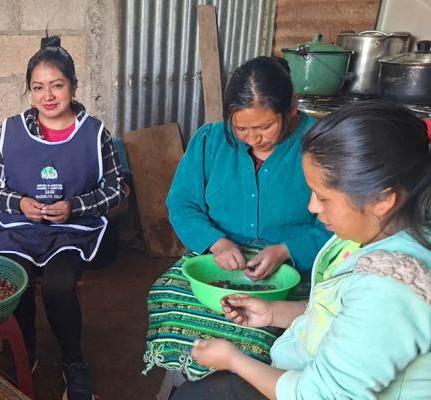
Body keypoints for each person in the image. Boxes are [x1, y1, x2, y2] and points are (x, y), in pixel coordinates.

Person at [177, 100, 431, 399]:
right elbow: (338, 313)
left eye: (323, 197)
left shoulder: (390, 290)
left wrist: (234, 360)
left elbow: (320, 395)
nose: (312, 207)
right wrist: (272, 313)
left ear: (383, 201)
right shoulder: (367, 237)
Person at [144, 57, 331, 384]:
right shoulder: (210, 140)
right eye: (241, 128)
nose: (253, 139)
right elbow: (182, 203)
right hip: (215, 258)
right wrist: (216, 242)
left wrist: (286, 250)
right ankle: (187, 380)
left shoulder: (321, 144)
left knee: (261, 331)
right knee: (164, 297)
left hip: (296, 266)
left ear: (292, 107)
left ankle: (247, 385)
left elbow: (338, 225)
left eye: (264, 127)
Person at [0, 35, 125, 400]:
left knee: (59, 286)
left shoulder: (94, 133)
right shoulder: (10, 130)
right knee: (17, 282)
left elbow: (116, 189)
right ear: (30, 91)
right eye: (38, 87)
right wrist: (18, 202)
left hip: (72, 231)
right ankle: (25, 353)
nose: (48, 96)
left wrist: (75, 206)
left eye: (57, 85)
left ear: (73, 86)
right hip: (19, 228)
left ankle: (73, 361)